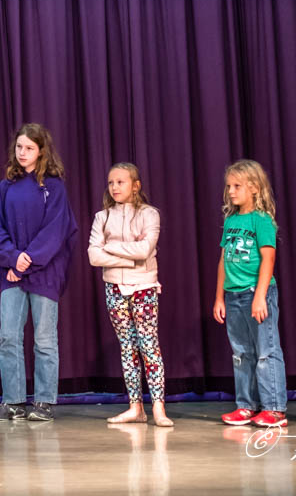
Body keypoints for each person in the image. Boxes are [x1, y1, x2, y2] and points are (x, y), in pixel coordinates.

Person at [0, 123, 77, 422]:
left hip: (44, 272)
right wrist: (13, 259)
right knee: (9, 337)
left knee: (44, 339)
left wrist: (28, 261)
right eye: (19, 147)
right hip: (12, 273)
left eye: (29, 148)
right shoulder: (7, 186)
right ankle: (13, 401)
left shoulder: (54, 187)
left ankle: (44, 401)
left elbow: (56, 231)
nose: (22, 152)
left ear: (41, 151)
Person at [88, 163, 172, 427]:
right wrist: (129, 258)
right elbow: (93, 255)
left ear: (136, 185)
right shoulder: (102, 217)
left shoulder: (149, 214)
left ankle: (158, 407)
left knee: (148, 345)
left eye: (120, 182)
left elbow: (145, 250)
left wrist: (111, 248)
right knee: (127, 347)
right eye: (111, 182)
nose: (114, 187)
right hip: (114, 287)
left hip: (143, 287)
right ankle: (135, 407)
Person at [213, 160, 287, 428]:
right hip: (233, 296)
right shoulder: (231, 220)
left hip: (256, 293)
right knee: (242, 352)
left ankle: (274, 409)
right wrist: (219, 297)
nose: (231, 191)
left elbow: (268, 259)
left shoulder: (261, 220)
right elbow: (223, 259)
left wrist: (260, 296)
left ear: (254, 187)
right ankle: (246, 405)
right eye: (228, 186)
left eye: (237, 186)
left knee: (266, 350)